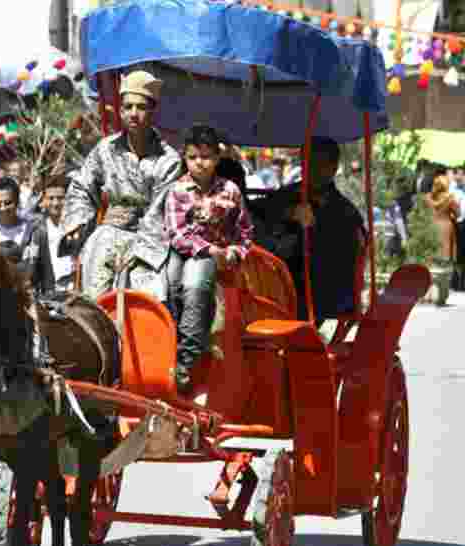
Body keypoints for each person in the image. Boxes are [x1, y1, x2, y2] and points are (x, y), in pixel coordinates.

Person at [62, 70, 184, 300]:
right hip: (108, 233)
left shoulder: (169, 160)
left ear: (153, 111)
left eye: (141, 107)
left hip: (150, 239)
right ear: (120, 111)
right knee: (93, 297)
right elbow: (82, 186)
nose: (133, 114)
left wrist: (137, 251)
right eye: (127, 107)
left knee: (151, 295)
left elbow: (160, 212)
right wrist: (77, 222)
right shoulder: (105, 148)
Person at [164, 125, 254, 393]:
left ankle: (186, 361)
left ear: (217, 158)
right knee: (166, 283)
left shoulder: (230, 190)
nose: (199, 163)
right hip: (184, 251)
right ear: (185, 158)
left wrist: (233, 253)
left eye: (205, 157)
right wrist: (207, 249)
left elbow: (245, 231)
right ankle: (167, 346)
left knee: (195, 282)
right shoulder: (178, 190)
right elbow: (176, 232)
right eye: (192, 157)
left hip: (214, 256)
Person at [254, 137, 364, 322]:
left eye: (320, 164)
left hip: (317, 294)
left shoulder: (345, 212)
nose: (312, 170)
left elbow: (336, 262)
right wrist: (287, 214)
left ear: (333, 167)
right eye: (308, 163)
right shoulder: (289, 195)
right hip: (279, 284)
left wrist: (313, 225)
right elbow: (261, 210)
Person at [0, 176, 55, 297]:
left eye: (8, 203)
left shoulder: (36, 233)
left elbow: (47, 277)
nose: (3, 208)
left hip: (29, 304)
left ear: (17, 201)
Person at [38, 175, 75, 292]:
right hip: (49, 292)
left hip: (75, 290)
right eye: (51, 198)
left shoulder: (78, 226)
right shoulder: (38, 229)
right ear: (43, 200)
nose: (55, 203)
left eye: (60, 198)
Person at [426, 174, 460, 265]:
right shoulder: (450, 198)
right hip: (446, 226)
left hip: (431, 226)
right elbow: (458, 214)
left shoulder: (428, 197)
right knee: (446, 255)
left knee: (433, 254)